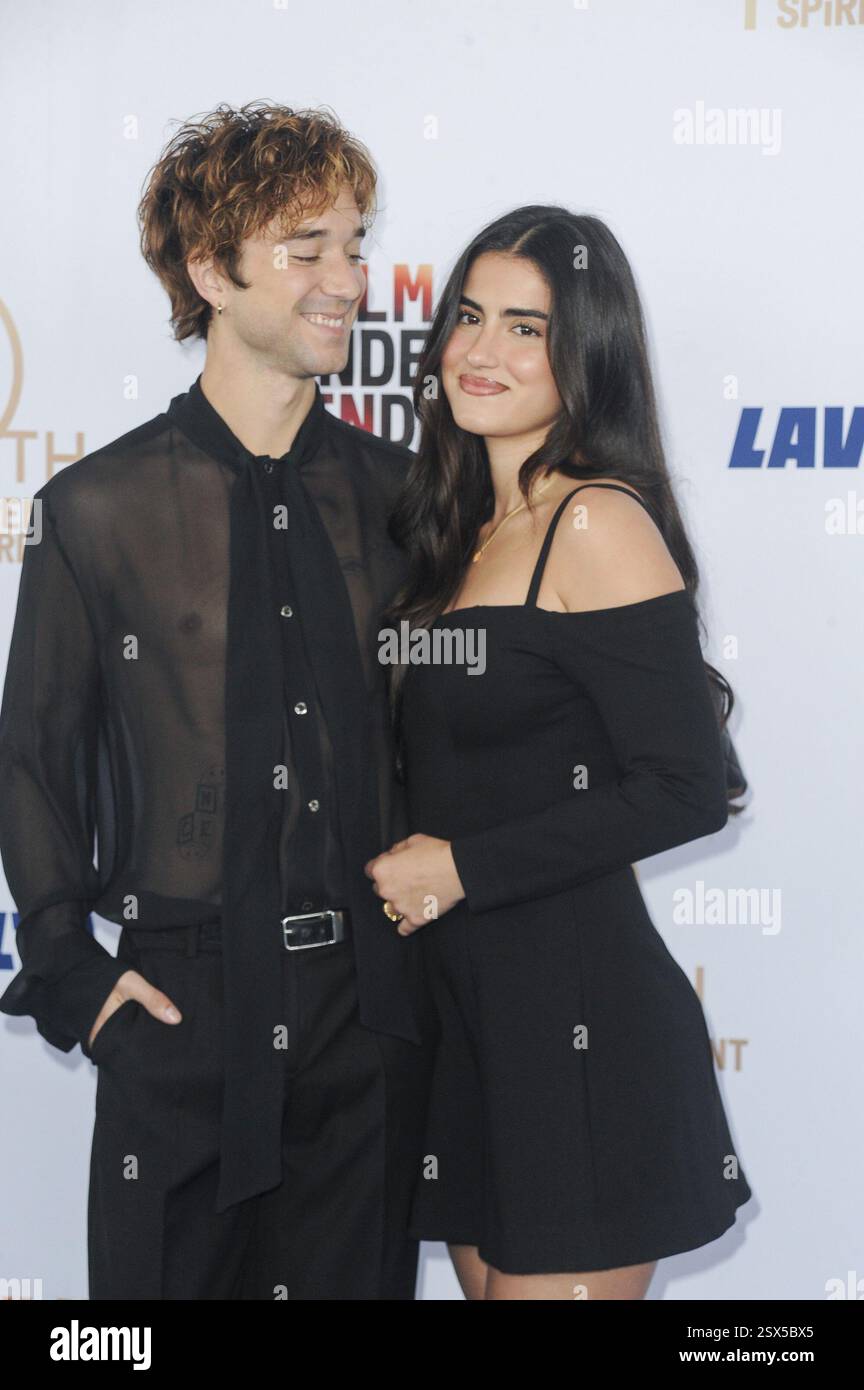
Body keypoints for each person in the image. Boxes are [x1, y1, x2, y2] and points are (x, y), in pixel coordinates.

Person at [0, 101, 435, 1300]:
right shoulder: (100, 506)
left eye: (355, 244)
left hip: (367, 1022)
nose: (348, 279)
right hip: (178, 1012)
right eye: (309, 250)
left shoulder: (404, 502)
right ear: (211, 268)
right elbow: (32, 751)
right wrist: (73, 975)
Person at [366, 205, 754, 1301]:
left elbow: (687, 787)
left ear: (587, 357)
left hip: (579, 1027)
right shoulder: (454, 534)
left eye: (527, 329)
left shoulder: (595, 522)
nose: (483, 352)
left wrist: (460, 868)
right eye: (470, 318)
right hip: (467, 1024)